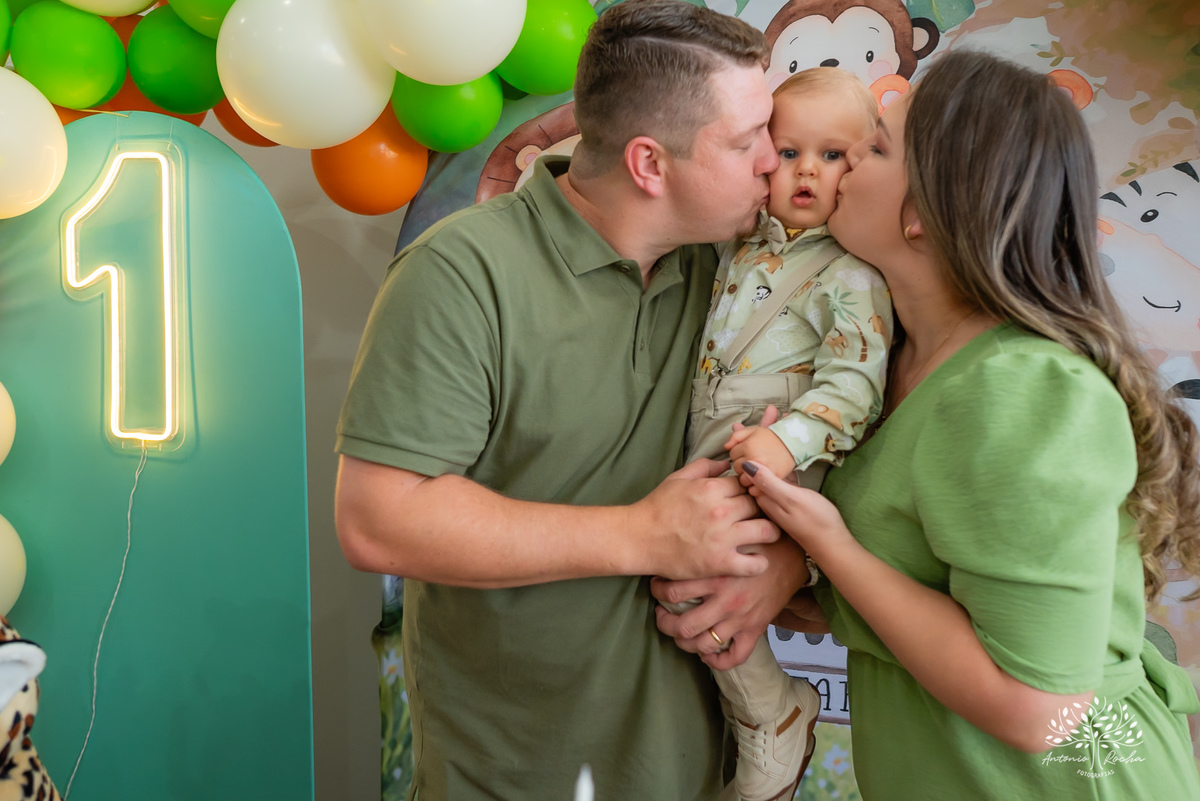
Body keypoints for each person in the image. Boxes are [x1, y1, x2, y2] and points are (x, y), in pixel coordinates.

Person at [699, 50, 1200, 799]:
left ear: (922, 214)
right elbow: (924, 595)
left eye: (871, 149)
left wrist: (829, 546)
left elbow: (1046, 712)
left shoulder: (1025, 388)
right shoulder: (886, 363)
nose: (834, 167)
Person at [334, 2, 803, 799]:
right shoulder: (459, 273)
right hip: (515, 773)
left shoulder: (737, 266)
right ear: (650, 166)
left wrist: (784, 568)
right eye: (745, 139)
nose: (773, 160)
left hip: (697, 768)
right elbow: (378, 518)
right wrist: (641, 534)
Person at [662, 67, 893, 801]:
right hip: (718, 435)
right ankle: (762, 711)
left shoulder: (851, 274)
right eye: (788, 152)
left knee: (693, 588)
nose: (806, 172)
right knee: (680, 582)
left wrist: (785, 443)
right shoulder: (738, 243)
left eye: (833, 156)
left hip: (779, 455)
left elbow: (855, 386)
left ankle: (775, 714)